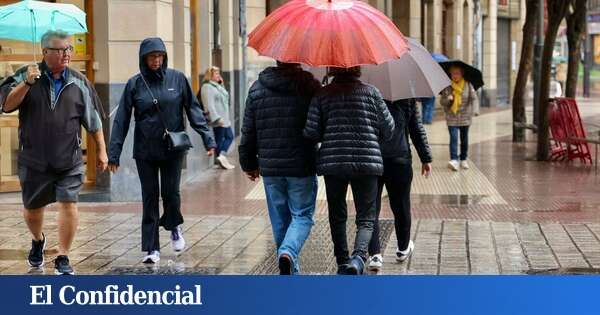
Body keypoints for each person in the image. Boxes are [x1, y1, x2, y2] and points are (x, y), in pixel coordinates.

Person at [0, 30, 108, 275]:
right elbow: (6, 105)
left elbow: (93, 121)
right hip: (34, 158)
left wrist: (102, 150)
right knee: (32, 209)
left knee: (69, 203)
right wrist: (27, 82)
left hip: (68, 159)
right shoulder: (24, 75)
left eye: (69, 49)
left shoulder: (79, 81)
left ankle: (63, 255)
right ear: (46, 52)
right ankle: (38, 240)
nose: (67, 54)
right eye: (61, 50)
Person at [108, 37, 216, 264]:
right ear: (143, 59)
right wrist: (114, 153)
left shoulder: (178, 79)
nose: (156, 61)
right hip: (145, 151)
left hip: (173, 149)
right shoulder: (134, 84)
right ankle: (151, 248)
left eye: (159, 56)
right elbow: (121, 121)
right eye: (151, 57)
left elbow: (193, 109)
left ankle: (174, 226)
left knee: (171, 193)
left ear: (164, 57)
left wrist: (208, 139)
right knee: (149, 197)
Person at [303, 66, 395, 275]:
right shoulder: (372, 93)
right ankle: (359, 257)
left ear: (333, 69)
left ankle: (342, 260)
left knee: (337, 214)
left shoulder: (322, 94)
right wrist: (372, 138)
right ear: (358, 69)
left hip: (333, 164)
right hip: (367, 163)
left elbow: (311, 132)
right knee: (366, 216)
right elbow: (389, 129)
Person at [239, 61, 321, 275]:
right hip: (302, 164)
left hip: (271, 166)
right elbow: (319, 125)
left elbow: (248, 130)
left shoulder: (257, 88)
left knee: (280, 219)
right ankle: (287, 252)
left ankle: (289, 270)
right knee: (302, 215)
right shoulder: (309, 86)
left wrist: (248, 163)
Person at [367, 98, 432, 272]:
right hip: (399, 159)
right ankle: (403, 248)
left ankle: (374, 254)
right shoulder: (407, 97)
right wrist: (425, 158)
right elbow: (416, 128)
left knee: (371, 207)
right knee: (401, 205)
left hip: (372, 159)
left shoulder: (367, 93)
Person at [440, 65, 479, 171]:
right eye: (453, 74)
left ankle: (463, 159)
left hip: (465, 117)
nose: (455, 76)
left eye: (457, 73)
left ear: (461, 74)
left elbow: (474, 99)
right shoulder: (447, 87)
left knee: (464, 139)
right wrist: (448, 99)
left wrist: (475, 110)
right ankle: (454, 160)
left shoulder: (468, 85)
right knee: (453, 138)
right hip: (451, 117)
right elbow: (442, 102)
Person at [201, 66, 235, 170]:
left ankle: (221, 157)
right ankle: (221, 158)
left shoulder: (216, 86)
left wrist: (222, 84)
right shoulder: (207, 87)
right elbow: (209, 105)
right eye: (216, 74)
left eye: (218, 73)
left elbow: (225, 96)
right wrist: (216, 118)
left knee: (228, 136)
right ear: (210, 76)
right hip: (218, 118)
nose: (218, 75)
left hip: (224, 117)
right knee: (222, 138)